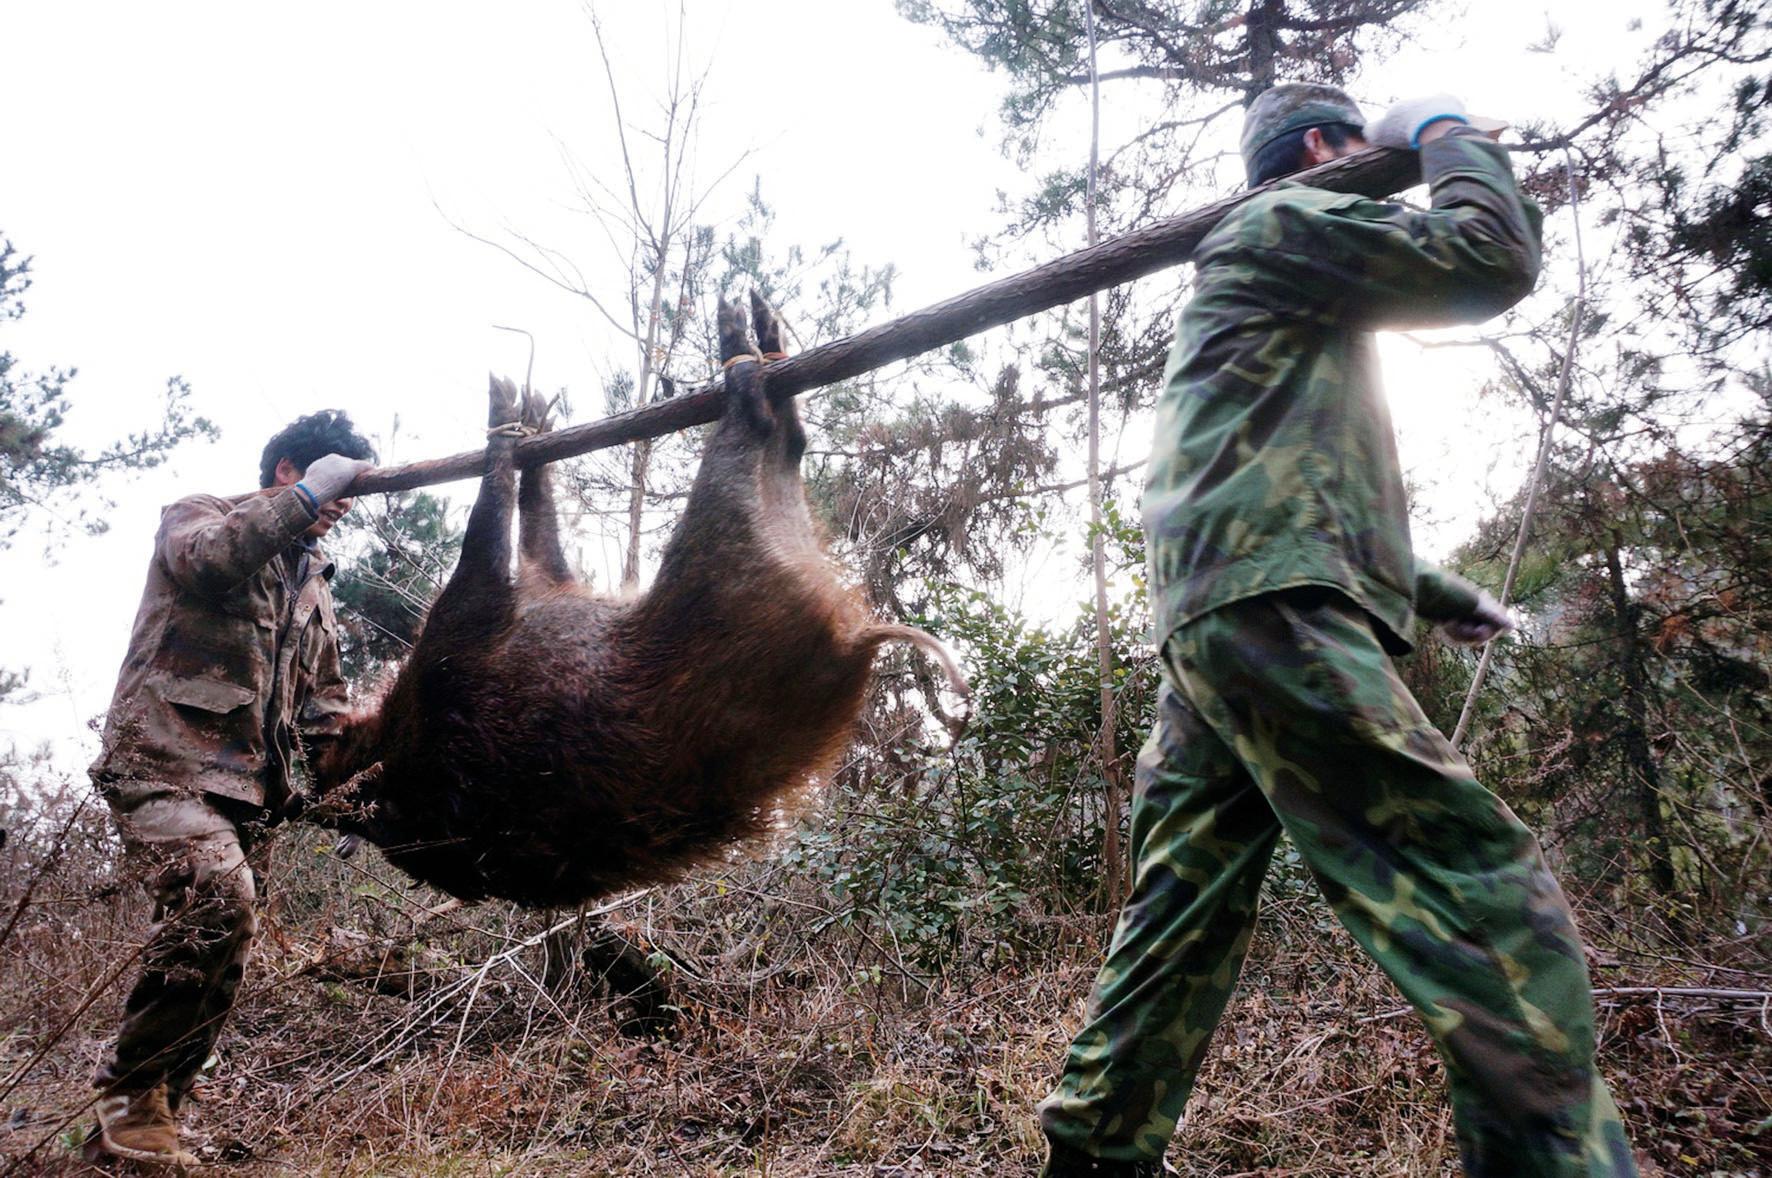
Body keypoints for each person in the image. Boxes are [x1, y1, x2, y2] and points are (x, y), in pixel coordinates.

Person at [1037, 86, 1638, 1177]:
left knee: (1178, 920)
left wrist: (1440, 595)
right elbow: (1486, 254)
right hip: (1262, 608)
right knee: (1482, 892)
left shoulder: (1267, 290)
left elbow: (1277, 491)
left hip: (1219, 616)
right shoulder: (1282, 224)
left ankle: (1090, 1159)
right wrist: (1446, 128)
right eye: (1362, 149)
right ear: (1322, 149)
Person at [85, 411, 375, 1167]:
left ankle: (144, 1121)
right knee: (219, 895)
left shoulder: (315, 584)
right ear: (289, 470)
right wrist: (309, 498)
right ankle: (130, 1096)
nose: (344, 505)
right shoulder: (199, 515)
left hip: (253, 790)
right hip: (162, 759)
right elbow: (210, 561)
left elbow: (326, 706)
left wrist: (355, 796)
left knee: (224, 947)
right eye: (337, 484)